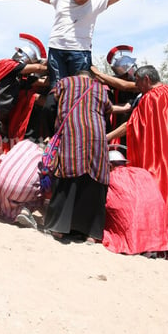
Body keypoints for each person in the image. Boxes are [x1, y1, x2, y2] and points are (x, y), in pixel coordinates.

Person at [15, 0, 158, 85]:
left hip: (80, 51)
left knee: (80, 86)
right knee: (57, 87)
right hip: (57, 49)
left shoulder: (96, 2)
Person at [43, 70, 111, 242]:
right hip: (97, 136)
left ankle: (58, 228)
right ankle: (91, 234)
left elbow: (48, 106)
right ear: (90, 77)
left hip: (72, 133)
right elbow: (108, 112)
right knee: (94, 179)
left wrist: (52, 130)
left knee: (67, 175)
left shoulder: (65, 83)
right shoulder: (101, 89)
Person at [103, 148, 168, 261]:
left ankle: (149, 251)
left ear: (109, 165)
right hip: (156, 215)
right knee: (163, 231)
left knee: (127, 230)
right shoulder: (141, 172)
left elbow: (111, 202)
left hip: (133, 220)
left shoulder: (111, 178)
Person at [126, 65, 168, 216]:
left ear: (146, 79)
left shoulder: (150, 97)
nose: (137, 86)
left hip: (155, 155)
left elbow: (133, 125)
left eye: (138, 82)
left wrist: (108, 136)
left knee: (155, 186)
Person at [0, 33, 49, 152]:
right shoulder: (9, 65)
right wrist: (53, 64)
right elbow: (39, 69)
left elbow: (42, 82)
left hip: (2, 119)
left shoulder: (18, 79)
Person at [0, 139, 45, 228]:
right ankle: (22, 211)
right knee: (39, 188)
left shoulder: (22, 144)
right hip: (20, 192)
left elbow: (2, 158)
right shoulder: (43, 157)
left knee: (1, 171)